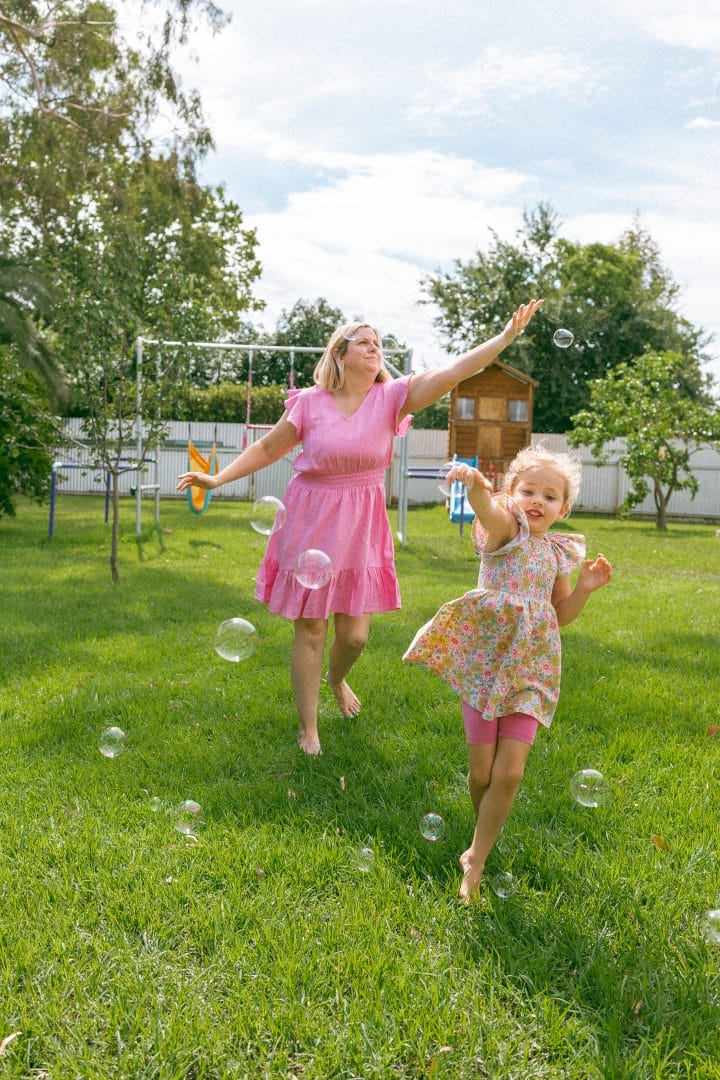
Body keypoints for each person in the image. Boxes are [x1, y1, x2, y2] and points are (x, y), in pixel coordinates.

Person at [177, 300, 543, 756]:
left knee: (355, 636)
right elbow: (270, 447)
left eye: (378, 344)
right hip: (310, 516)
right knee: (311, 629)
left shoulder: (392, 398)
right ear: (340, 355)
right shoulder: (310, 404)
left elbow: (451, 373)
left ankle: (337, 677)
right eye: (364, 342)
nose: (374, 349)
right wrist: (216, 478)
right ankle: (309, 729)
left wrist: (506, 337)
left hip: (362, 523)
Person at [403, 444, 612, 902]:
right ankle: (483, 836)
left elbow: (560, 615)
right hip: (485, 661)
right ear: (512, 494)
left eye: (550, 496)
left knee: (510, 772)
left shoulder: (558, 552)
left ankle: (476, 858)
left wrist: (585, 589)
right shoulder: (504, 532)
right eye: (528, 491)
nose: (537, 501)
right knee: (481, 773)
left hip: (532, 666)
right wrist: (477, 487)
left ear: (565, 507)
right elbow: (489, 513)